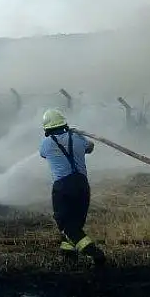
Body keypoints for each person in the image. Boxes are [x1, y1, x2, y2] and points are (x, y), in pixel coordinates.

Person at [39, 109, 107, 267]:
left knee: (65, 223)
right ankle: (68, 255)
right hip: (82, 185)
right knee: (75, 223)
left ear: (47, 128)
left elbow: (43, 154)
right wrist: (76, 134)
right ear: (64, 123)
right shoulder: (77, 137)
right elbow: (90, 147)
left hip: (63, 186)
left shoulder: (46, 144)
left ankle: (95, 253)